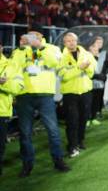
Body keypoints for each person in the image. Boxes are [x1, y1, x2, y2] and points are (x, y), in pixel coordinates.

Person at [16, 31, 70, 176]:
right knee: (25, 133)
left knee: (52, 130)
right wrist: (21, 48)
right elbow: (15, 66)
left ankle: (58, 160)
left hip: (45, 95)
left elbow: (53, 62)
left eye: (35, 37)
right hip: (24, 95)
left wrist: (40, 47)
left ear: (40, 37)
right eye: (29, 36)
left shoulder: (52, 48)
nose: (31, 39)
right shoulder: (21, 50)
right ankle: (27, 164)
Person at [58, 32, 95, 158]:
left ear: (77, 40)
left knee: (83, 119)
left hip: (85, 91)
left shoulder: (87, 54)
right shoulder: (61, 57)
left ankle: (80, 140)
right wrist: (79, 68)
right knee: (72, 121)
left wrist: (86, 68)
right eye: (68, 41)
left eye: (73, 40)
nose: (71, 42)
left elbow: (92, 72)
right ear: (64, 43)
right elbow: (63, 76)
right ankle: (72, 146)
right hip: (70, 93)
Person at [0, 42, 25, 175]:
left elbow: (17, 88)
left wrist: (3, 84)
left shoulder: (12, 65)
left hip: (2, 110)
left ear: (1, 47)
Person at [88, 36, 108, 124]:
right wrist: (98, 76)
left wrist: (103, 76)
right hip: (89, 85)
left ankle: (93, 117)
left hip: (99, 84)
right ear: (90, 51)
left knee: (96, 101)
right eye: (94, 50)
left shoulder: (99, 58)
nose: (96, 52)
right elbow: (87, 73)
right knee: (89, 102)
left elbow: (102, 68)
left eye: (97, 50)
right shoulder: (87, 59)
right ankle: (87, 119)